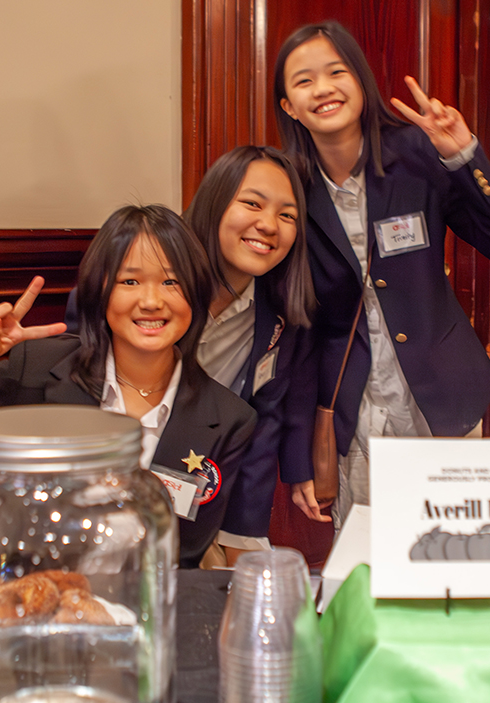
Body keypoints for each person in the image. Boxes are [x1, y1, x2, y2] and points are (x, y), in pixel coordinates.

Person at [0, 204, 257, 569]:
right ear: (100, 290)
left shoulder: (226, 420)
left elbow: (181, 557)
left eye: (172, 282)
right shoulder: (38, 372)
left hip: (137, 618)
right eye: (130, 281)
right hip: (27, 605)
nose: (152, 301)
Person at [272, 20, 490, 528]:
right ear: (288, 105)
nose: (322, 89)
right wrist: (299, 454)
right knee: (370, 563)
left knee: (456, 550)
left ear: (360, 82)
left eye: (335, 72)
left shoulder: (417, 154)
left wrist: (461, 154)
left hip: (443, 396)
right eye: (303, 81)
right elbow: (296, 334)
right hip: (354, 413)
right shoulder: (287, 189)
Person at [65, 147, 317, 564]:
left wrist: (244, 537)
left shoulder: (278, 311)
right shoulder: (137, 291)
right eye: (252, 203)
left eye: (287, 215)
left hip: (192, 499)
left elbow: (260, 425)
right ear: (215, 203)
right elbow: (74, 381)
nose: (268, 225)